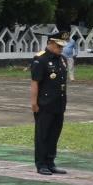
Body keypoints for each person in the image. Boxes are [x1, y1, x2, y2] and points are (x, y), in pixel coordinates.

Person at [31, 37, 69, 175]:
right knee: (43, 134)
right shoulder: (40, 59)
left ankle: (50, 162)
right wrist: (34, 102)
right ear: (50, 44)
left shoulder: (63, 59)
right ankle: (41, 164)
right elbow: (35, 82)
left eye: (62, 46)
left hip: (59, 103)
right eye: (58, 46)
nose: (61, 48)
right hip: (44, 104)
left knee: (54, 134)